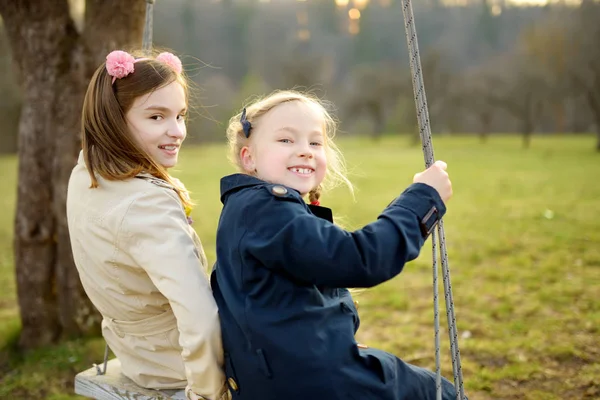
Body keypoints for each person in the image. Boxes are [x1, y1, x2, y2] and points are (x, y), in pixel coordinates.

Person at [211, 90, 462, 399]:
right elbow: (361, 259)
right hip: (309, 381)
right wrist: (423, 198)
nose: (304, 151)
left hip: (281, 376)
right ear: (249, 157)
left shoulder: (249, 208)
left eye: (315, 142)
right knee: (438, 393)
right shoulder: (264, 210)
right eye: (286, 140)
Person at [67, 49, 228, 400]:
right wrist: (208, 393)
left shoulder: (87, 173)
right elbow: (198, 317)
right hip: (177, 362)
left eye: (181, 116)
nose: (176, 132)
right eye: (156, 117)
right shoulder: (145, 203)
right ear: (113, 119)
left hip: (139, 351)